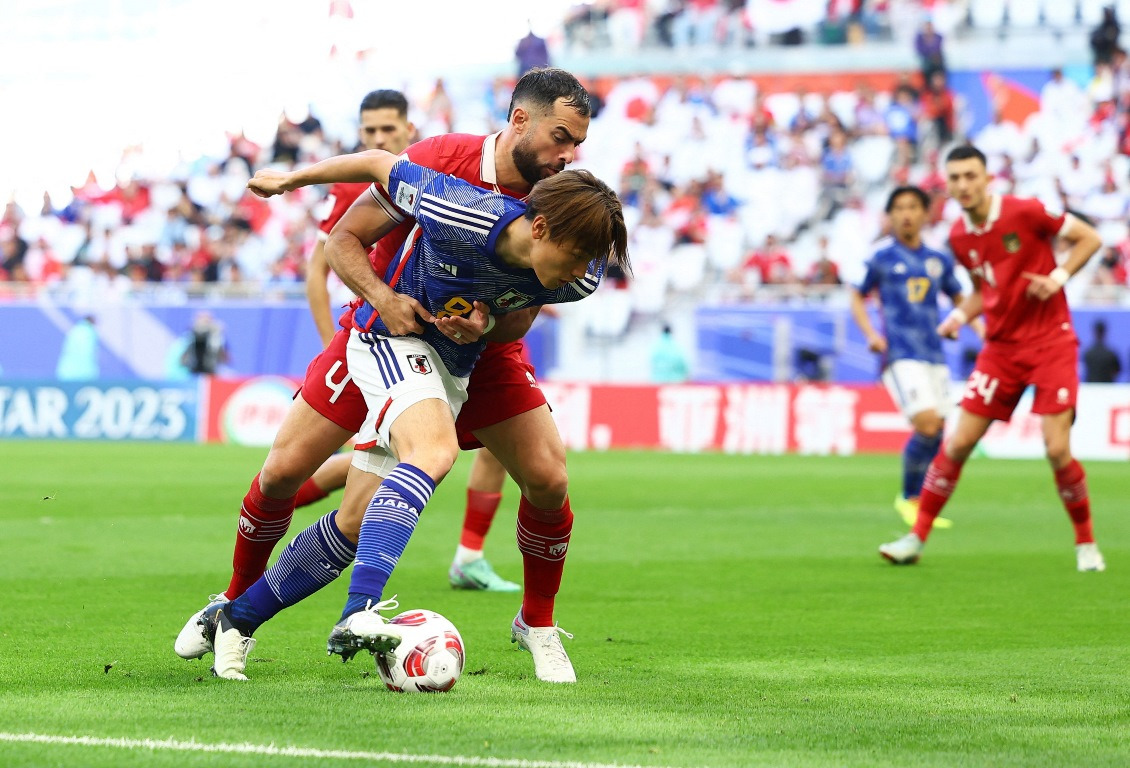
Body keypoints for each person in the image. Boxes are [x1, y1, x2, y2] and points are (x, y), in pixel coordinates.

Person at [174, 68, 596, 682]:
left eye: (577, 144)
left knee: (549, 478)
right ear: (521, 121)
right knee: (286, 473)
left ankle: (535, 622)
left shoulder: (557, 205)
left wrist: (487, 327)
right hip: (387, 327)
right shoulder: (444, 163)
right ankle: (231, 607)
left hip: (478, 354)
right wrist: (385, 299)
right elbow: (344, 241)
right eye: (561, 136)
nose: (568, 154)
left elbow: (520, 315)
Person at [302, 89, 518, 591]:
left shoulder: (434, 178)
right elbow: (321, 269)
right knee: (318, 467)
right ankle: (257, 578)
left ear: (408, 130)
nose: (379, 138)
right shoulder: (347, 189)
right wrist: (328, 341)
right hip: (378, 331)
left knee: (496, 447)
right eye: (370, 131)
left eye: (388, 130)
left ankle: (469, 555)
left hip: (457, 337)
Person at [879, 145, 1106, 572]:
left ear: (987, 179)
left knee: (1056, 449)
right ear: (947, 185)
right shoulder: (959, 238)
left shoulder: (1026, 211)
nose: (963, 185)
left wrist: (1058, 278)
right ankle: (915, 537)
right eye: (955, 178)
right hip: (1001, 349)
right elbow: (987, 290)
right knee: (959, 441)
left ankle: (1086, 543)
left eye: (971, 176)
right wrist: (958, 316)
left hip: (1051, 342)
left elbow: (1090, 238)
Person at [850, 186, 965, 529]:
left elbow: (961, 297)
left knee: (939, 429)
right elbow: (857, 296)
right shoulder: (880, 258)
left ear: (926, 214)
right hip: (900, 354)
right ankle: (909, 497)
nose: (906, 214)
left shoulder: (938, 260)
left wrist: (958, 322)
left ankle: (922, 503)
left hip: (934, 354)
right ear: (890, 216)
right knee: (927, 423)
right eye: (898, 208)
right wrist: (872, 334)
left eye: (913, 207)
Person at [55, 315, 99, 381]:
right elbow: (87, 353)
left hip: (67, 371)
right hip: (84, 373)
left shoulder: (75, 330)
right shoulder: (89, 333)